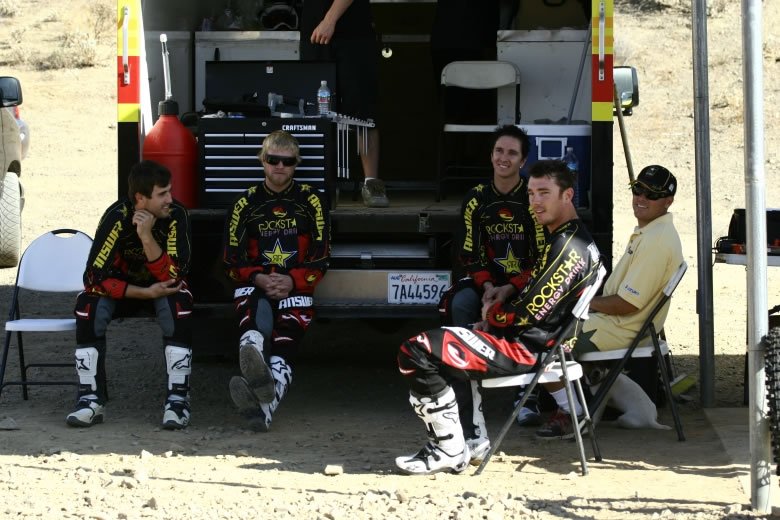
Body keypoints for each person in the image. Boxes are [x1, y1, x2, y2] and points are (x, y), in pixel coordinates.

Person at [395, 159, 601, 475]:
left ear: (568, 195)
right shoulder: (565, 236)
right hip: (532, 343)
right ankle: (472, 441)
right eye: (531, 193)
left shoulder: (568, 245)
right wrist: (503, 298)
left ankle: (448, 448)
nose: (535, 201)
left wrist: (492, 316)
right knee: (447, 344)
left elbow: (530, 311)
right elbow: (533, 292)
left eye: (544, 193)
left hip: (528, 349)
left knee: (417, 350)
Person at [534, 164, 684, 440]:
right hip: (616, 323)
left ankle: (571, 413)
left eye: (652, 194)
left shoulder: (657, 240)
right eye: (638, 189)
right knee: (543, 328)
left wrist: (581, 301)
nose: (641, 198)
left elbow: (627, 305)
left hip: (619, 327)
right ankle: (574, 405)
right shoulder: (651, 232)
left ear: (668, 201)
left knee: (541, 343)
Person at [437, 125, 545, 462]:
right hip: (485, 284)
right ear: (491, 155)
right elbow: (469, 252)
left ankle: (528, 396)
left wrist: (510, 288)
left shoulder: (532, 197)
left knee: (535, 311)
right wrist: (486, 287)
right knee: (459, 304)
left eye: (512, 153)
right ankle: (466, 391)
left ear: (523, 161)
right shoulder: (476, 198)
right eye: (499, 151)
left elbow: (542, 256)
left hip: (523, 283)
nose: (504, 158)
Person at [66, 160, 194, 430]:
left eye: (170, 191)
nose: (170, 199)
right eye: (162, 194)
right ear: (140, 198)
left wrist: (146, 237)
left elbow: (174, 276)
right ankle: (90, 400)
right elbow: (93, 277)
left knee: (179, 302)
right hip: (127, 292)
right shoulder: (117, 216)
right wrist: (144, 292)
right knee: (87, 304)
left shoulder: (176, 215)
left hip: (162, 291)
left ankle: (178, 401)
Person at [223, 130, 330, 432]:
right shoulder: (244, 203)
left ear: (297, 163)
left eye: (288, 161)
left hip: (297, 285)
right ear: (262, 160)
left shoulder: (312, 200)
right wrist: (258, 277)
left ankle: (263, 409)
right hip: (254, 283)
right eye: (273, 160)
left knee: (287, 338)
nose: (280, 166)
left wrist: (293, 281)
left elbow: (322, 256)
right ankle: (252, 353)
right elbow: (231, 260)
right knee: (252, 312)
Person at [300, 0, 389, 208]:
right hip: (313, 29)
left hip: (353, 32)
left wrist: (329, 20)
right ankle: (317, 184)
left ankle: (371, 183)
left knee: (362, 109)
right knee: (316, 108)